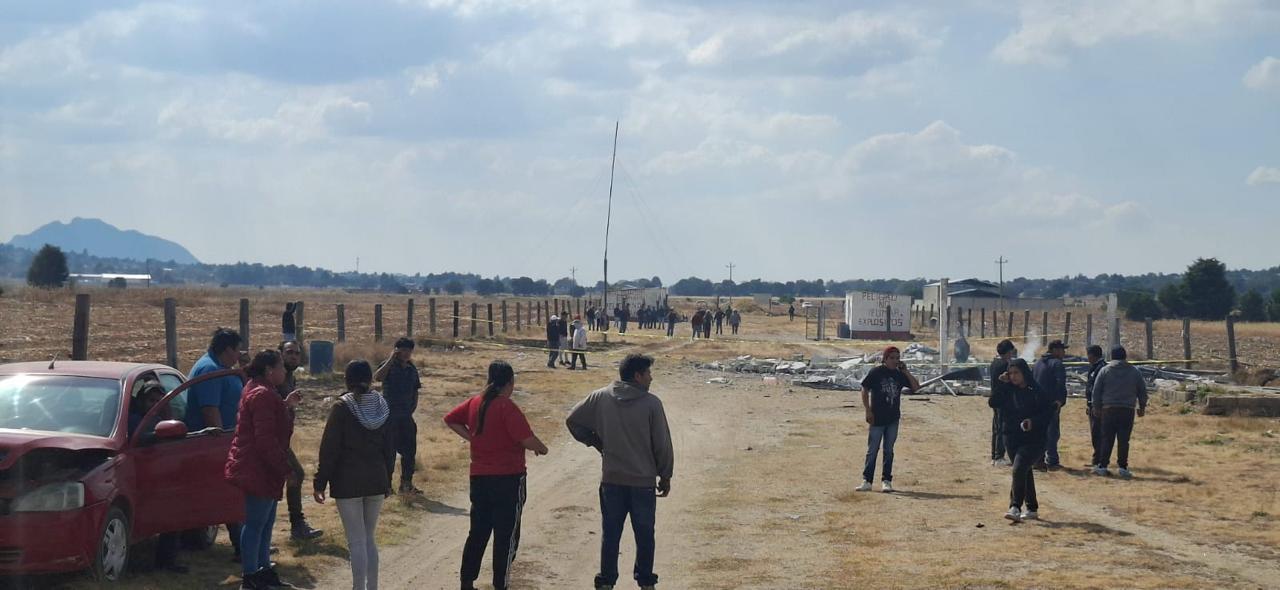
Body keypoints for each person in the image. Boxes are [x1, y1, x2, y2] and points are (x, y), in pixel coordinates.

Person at [566, 354, 673, 590]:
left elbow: (573, 420)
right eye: (648, 373)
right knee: (645, 535)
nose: (651, 378)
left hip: (611, 480)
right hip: (642, 483)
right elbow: (662, 444)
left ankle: (606, 581)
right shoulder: (652, 404)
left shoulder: (601, 396)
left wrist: (596, 442)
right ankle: (646, 581)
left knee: (611, 534)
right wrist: (665, 475)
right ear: (637, 376)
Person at [445, 361, 549, 590]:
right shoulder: (506, 407)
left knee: (478, 532)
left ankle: (466, 581)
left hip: (479, 477)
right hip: (508, 478)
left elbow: (450, 419)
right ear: (510, 382)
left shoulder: (475, 402)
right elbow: (526, 439)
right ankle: (500, 584)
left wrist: (474, 438)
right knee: (506, 535)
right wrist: (542, 448)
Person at [314, 360, 394, 590]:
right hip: (377, 479)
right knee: (369, 538)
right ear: (370, 379)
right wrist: (387, 479)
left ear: (346, 380)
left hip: (347, 481)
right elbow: (390, 448)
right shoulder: (382, 405)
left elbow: (329, 449)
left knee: (356, 541)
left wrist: (320, 481)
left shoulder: (342, 407)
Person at [225, 350, 299, 590]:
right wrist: (285, 469)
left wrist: (286, 406)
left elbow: (270, 424)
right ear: (269, 370)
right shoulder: (262, 394)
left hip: (262, 467)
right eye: (281, 367)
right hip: (258, 467)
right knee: (256, 524)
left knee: (265, 524)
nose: (284, 371)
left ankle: (264, 571)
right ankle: (250, 577)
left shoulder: (261, 390)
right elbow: (265, 439)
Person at [184, 328, 246, 557]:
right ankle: (242, 546)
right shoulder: (209, 370)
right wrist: (223, 445)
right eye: (237, 351)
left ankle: (243, 544)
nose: (238, 355)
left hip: (225, 441)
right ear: (227, 349)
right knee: (229, 494)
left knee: (229, 494)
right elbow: (210, 410)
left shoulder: (220, 368)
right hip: (213, 445)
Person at [128, 382, 188, 573]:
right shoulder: (134, 420)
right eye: (150, 400)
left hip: (161, 475)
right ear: (141, 401)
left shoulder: (162, 419)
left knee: (173, 514)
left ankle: (166, 561)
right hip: (137, 475)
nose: (154, 405)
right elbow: (139, 438)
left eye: (159, 401)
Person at [989, 358, 1057, 523]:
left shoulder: (1036, 390)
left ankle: (1015, 507)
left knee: (1019, 468)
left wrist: (1033, 422)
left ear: (1024, 373)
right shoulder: (1007, 389)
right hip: (1011, 437)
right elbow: (992, 402)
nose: (1013, 376)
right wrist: (1001, 384)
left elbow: (1048, 413)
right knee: (1024, 471)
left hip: (1034, 439)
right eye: (1010, 373)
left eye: (1016, 373)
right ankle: (1032, 508)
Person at [275, 341, 323, 541]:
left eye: (296, 353)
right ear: (280, 354)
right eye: (289, 352)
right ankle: (296, 525)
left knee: (293, 475)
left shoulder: (289, 376)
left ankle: (297, 525)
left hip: (281, 439)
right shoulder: (275, 377)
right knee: (293, 474)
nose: (294, 356)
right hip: (270, 439)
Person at [856, 346, 919, 492]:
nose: (895, 361)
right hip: (877, 418)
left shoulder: (899, 375)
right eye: (892, 358)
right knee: (872, 450)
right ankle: (867, 480)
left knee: (888, 451)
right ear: (885, 359)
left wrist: (906, 371)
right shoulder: (876, 372)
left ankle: (886, 480)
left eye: (897, 358)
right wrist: (867, 410)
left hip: (893, 419)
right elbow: (864, 389)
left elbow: (916, 387)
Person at [374, 338, 424, 495]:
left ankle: (406, 485)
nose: (406, 353)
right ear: (396, 350)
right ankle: (386, 486)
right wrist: (390, 359)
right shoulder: (388, 366)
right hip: (389, 417)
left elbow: (416, 389)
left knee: (409, 453)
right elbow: (378, 377)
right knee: (388, 453)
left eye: (409, 350)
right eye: (403, 350)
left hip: (406, 416)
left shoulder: (411, 369)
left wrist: (412, 408)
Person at [1091, 346, 1148, 479]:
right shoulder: (1134, 371)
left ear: (1112, 356)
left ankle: (1103, 466)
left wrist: (1096, 407)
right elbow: (1142, 390)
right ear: (1125, 356)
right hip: (1127, 410)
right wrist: (1142, 407)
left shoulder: (1105, 370)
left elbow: (1096, 391)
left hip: (1108, 409)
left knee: (1107, 438)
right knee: (1124, 440)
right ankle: (1123, 467)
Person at [1032, 340, 1068, 471]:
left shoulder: (1037, 363)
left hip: (1036, 403)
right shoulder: (1057, 364)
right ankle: (1052, 461)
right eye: (1062, 350)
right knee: (1052, 433)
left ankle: (1038, 460)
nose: (1064, 353)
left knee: (1039, 432)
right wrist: (1060, 400)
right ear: (1055, 350)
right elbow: (1060, 383)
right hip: (1051, 404)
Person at [989, 340, 1016, 467]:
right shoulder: (1004, 365)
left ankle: (994, 455)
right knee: (1001, 428)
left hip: (995, 398)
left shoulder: (994, 363)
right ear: (1008, 351)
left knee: (996, 428)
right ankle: (999, 456)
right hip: (1003, 400)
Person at [1084, 344, 1107, 470]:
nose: (1087, 358)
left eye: (1088, 355)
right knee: (1095, 433)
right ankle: (1097, 458)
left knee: (1098, 433)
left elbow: (1098, 389)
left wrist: (1096, 405)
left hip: (1099, 407)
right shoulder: (1094, 367)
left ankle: (1099, 460)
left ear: (1093, 355)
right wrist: (1088, 404)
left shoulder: (1101, 368)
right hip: (1092, 405)